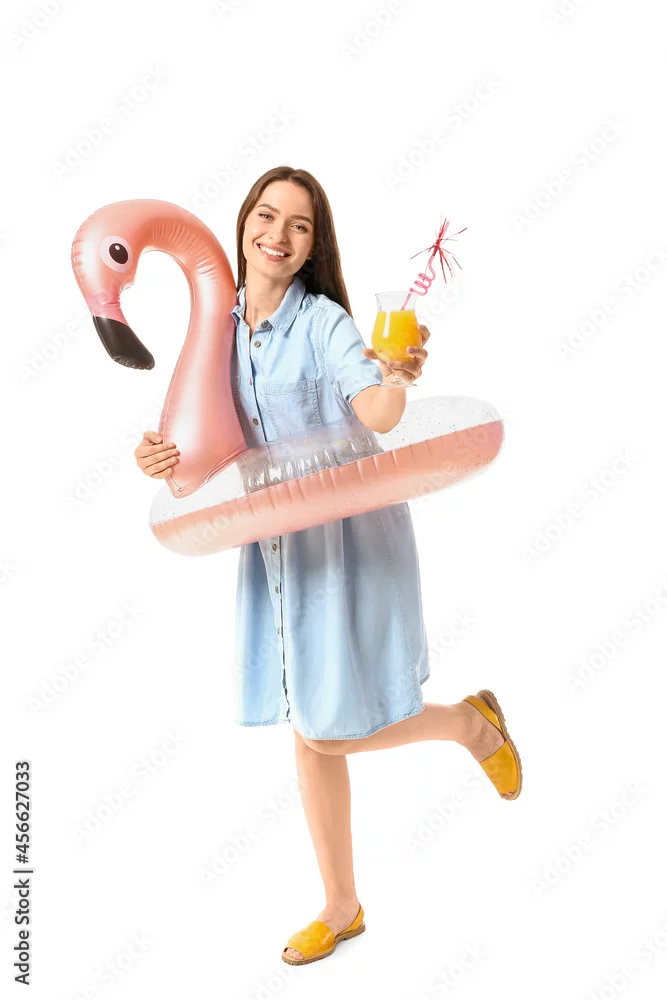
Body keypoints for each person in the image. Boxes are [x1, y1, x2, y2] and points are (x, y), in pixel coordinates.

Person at [134, 166, 522, 966]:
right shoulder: (216, 323)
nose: (277, 235)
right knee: (310, 732)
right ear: (243, 222)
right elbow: (204, 435)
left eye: (299, 225)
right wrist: (158, 455)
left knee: (329, 729)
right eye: (266, 215)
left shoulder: (323, 322)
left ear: (314, 246)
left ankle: (469, 726)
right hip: (275, 547)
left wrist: (392, 377)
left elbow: (374, 412)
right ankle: (341, 906)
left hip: (345, 542)